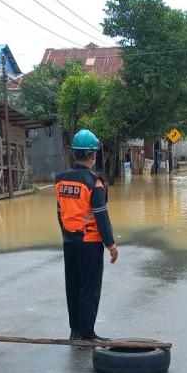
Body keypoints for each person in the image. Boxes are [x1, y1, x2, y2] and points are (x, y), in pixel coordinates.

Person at [54, 129, 119, 343]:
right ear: (93, 154)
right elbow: (101, 216)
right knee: (89, 288)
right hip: (90, 243)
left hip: (69, 241)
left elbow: (59, 212)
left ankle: (75, 332)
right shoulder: (94, 182)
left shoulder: (60, 180)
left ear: (74, 154)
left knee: (72, 285)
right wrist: (111, 244)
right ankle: (88, 334)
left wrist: (66, 234)